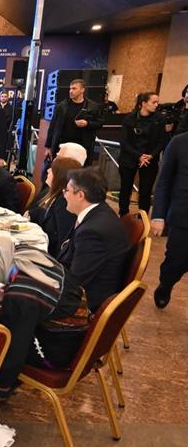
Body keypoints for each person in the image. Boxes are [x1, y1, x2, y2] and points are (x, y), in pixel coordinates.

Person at [0, 237, 87, 408]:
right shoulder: (25, 253)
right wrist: (6, 291)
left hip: (58, 349)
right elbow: (39, 287)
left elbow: (16, 350)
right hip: (76, 327)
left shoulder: (21, 298)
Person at [58, 168, 129, 311]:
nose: (64, 195)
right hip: (84, 287)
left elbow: (75, 280)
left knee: (19, 298)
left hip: (85, 302)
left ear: (80, 195)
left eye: (66, 190)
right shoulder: (99, 212)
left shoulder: (93, 231)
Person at [151, 131, 188, 308]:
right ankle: (166, 284)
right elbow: (164, 182)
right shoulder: (179, 143)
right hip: (182, 219)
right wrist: (158, 215)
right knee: (176, 263)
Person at [118, 92, 168, 216]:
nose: (157, 105)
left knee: (145, 191)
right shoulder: (129, 119)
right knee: (125, 189)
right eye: (154, 102)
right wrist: (139, 156)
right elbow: (124, 141)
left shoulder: (160, 119)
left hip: (149, 159)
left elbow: (162, 140)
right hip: (129, 158)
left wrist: (152, 155)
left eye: (157, 102)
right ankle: (123, 215)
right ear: (144, 103)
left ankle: (143, 218)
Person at [28, 157, 82, 256]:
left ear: (59, 176)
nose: (48, 170)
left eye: (52, 169)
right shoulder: (50, 193)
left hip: (46, 255)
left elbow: (60, 242)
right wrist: (31, 214)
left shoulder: (64, 203)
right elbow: (41, 213)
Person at [44, 79, 104, 166]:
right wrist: (48, 147)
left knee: (79, 172)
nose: (71, 91)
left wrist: (87, 124)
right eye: (70, 88)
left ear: (82, 90)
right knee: (60, 171)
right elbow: (53, 126)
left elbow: (100, 123)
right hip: (62, 146)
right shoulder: (62, 106)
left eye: (74, 88)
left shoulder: (92, 107)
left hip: (82, 148)